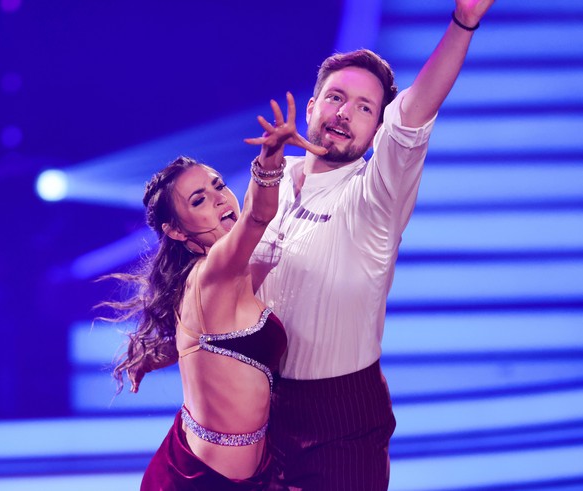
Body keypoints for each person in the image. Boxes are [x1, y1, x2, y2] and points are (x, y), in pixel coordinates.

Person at [249, 2, 496, 490]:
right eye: (336, 98)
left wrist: (463, 22)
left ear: (379, 127)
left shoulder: (377, 193)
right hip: (260, 406)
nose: (345, 113)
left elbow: (416, 109)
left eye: (365, 107)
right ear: (313, 104)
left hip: (342, 419)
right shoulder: (274, 180)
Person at [98, 93, 326, 490]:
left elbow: (215, 344)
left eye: (219, 185)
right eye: (199, 200)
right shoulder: (211, 275)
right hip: (200, 482)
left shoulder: (229, 274)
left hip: (254, 474)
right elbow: (257, 216)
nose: (221, 197)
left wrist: (158, 354)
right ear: (176, 230)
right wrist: (271, 157)